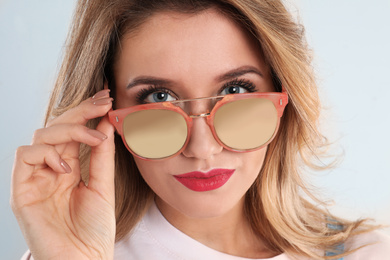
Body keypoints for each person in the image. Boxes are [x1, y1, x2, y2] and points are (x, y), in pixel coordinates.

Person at [10, 0, 390, 259]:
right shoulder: (65, 253)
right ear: (106, 113)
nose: (202, 148)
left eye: (235, 90)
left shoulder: (368, 252)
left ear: (284, 98)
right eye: (159, 96)